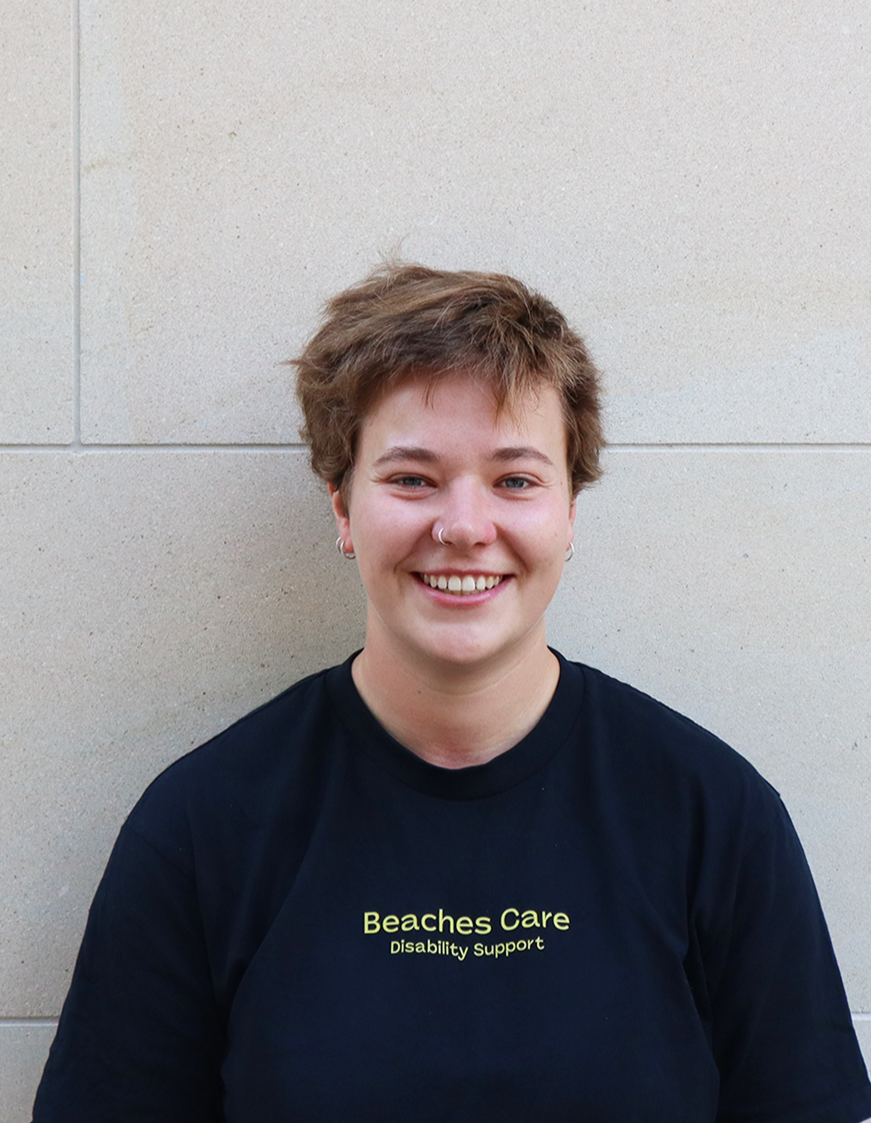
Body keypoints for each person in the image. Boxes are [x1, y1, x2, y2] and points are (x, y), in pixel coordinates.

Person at [34, 264, 871, 1122]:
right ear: (342, 506)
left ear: (569, 512)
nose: (465, 526)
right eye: (411, 478)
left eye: (515, 480)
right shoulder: (203, 826)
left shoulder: (712, 814)